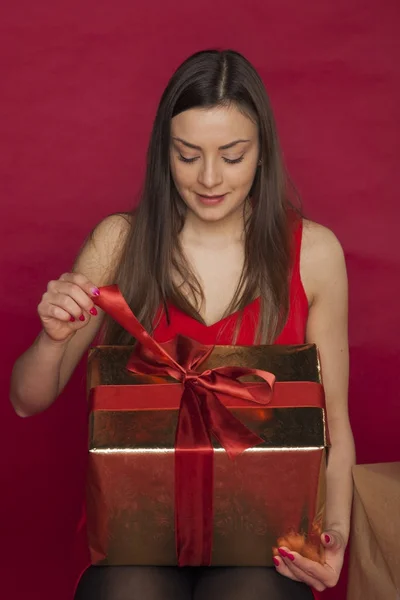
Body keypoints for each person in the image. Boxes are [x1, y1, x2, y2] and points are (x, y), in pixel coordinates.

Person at [10, 49, 355, 600]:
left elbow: (333, 422)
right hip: (135, 530)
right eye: (188, 155)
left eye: (233, 155)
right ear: (163, 154)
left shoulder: (313, 253)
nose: (210, 177)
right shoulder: (118, 242)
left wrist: (332, 535)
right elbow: (27, 399)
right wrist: (52, 339)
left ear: (262, 152)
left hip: (265, 534)